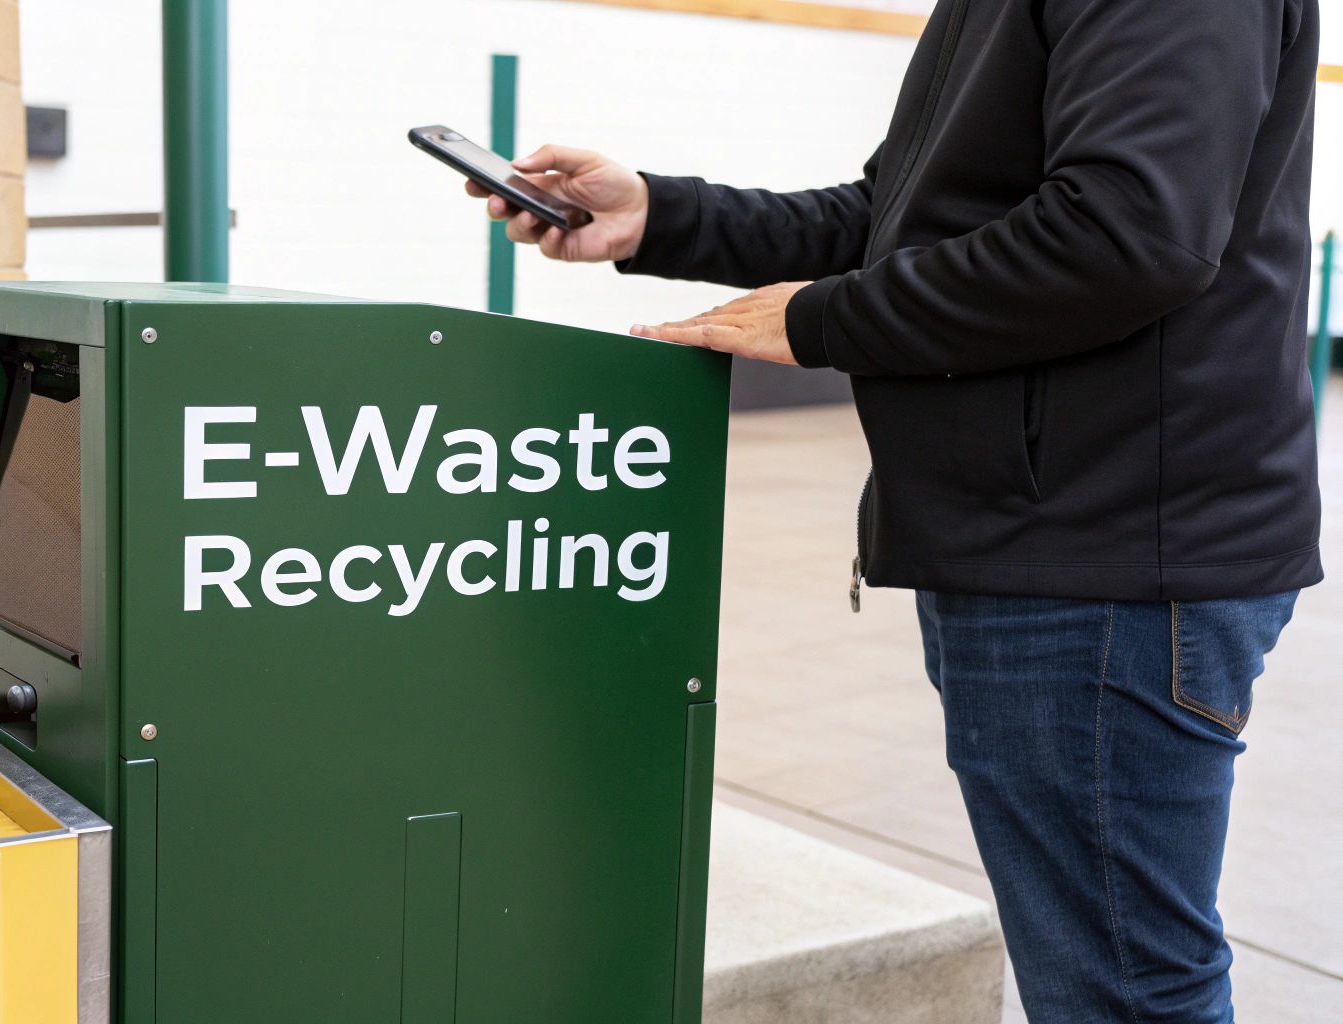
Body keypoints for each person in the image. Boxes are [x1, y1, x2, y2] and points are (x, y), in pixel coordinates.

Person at [468, 1, 1323, 1021]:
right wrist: (662, 213)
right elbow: (899, 212)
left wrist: (821, 319)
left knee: (1123, 989)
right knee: (1106, 970)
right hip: (1048, 540)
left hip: (1103, 561)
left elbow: (1123, 236)